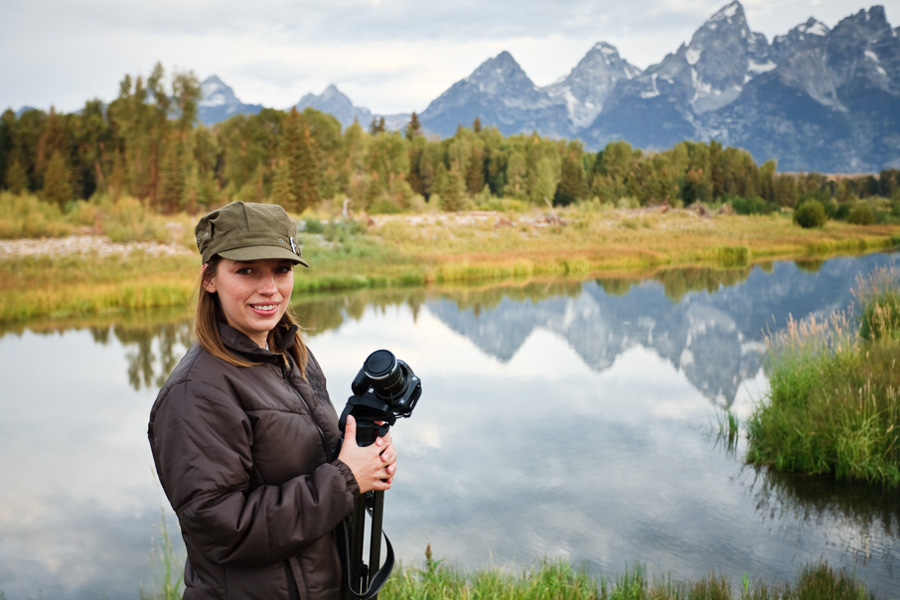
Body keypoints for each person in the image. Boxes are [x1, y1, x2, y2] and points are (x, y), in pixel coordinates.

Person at [148, 201, 397, 599]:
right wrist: (345, 479)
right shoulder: (195, 392)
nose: (270, 288)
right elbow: (222, 530)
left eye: (281, 269)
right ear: (210, 278)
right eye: (246, 271)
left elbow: (319, 466)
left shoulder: (291, 353)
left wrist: (364, 461)